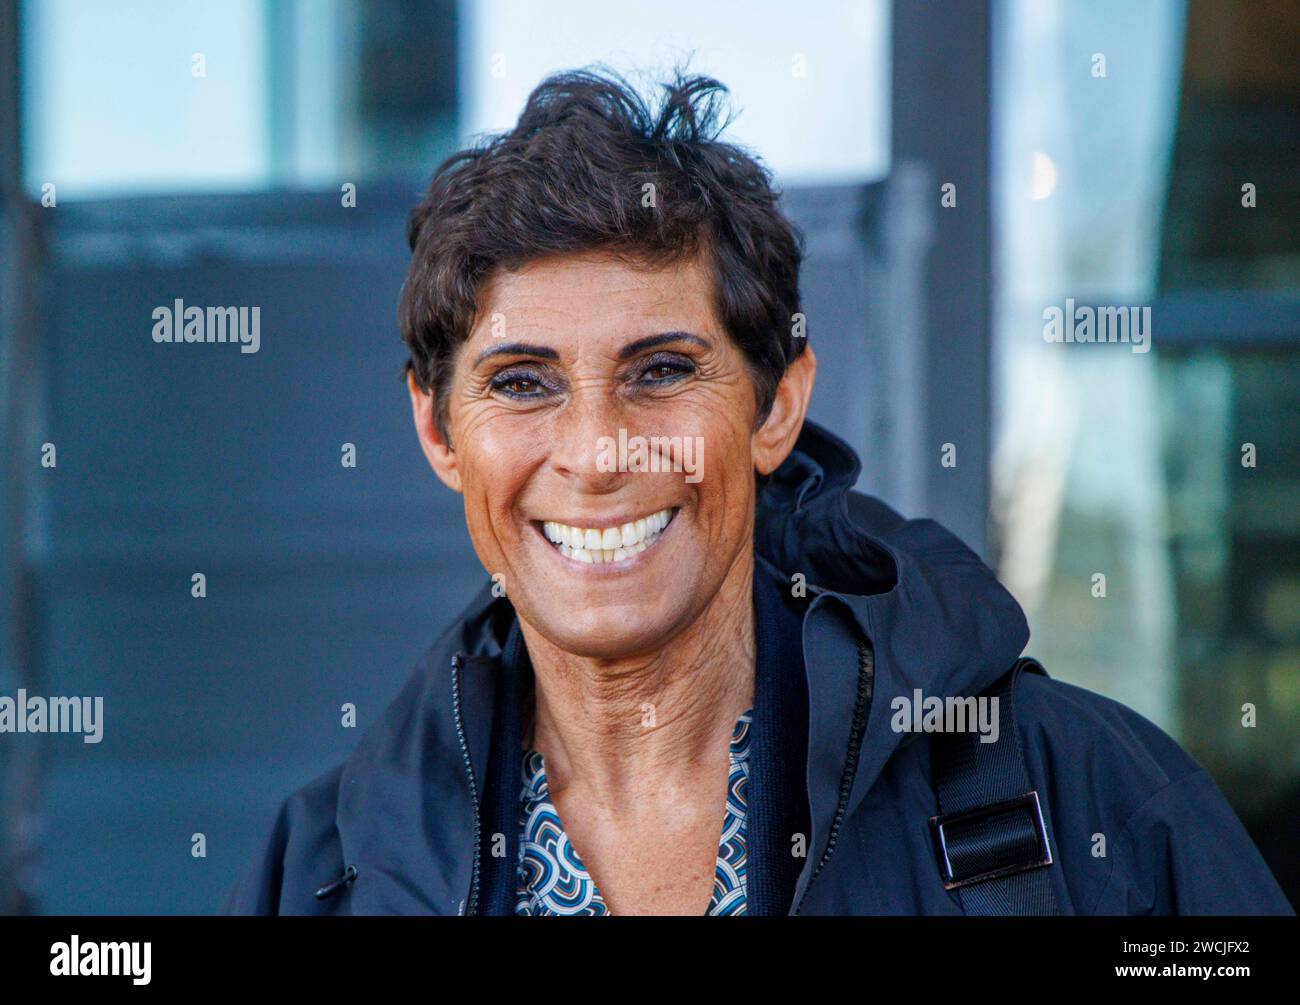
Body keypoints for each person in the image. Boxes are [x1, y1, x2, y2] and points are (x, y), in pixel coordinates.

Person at [223, 68, 1293, 916]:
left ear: (777, 404)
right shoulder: (325, 874)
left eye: (661, 370)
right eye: (522, 383)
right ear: (435, 430)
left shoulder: (1078, 799)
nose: (599, 454)